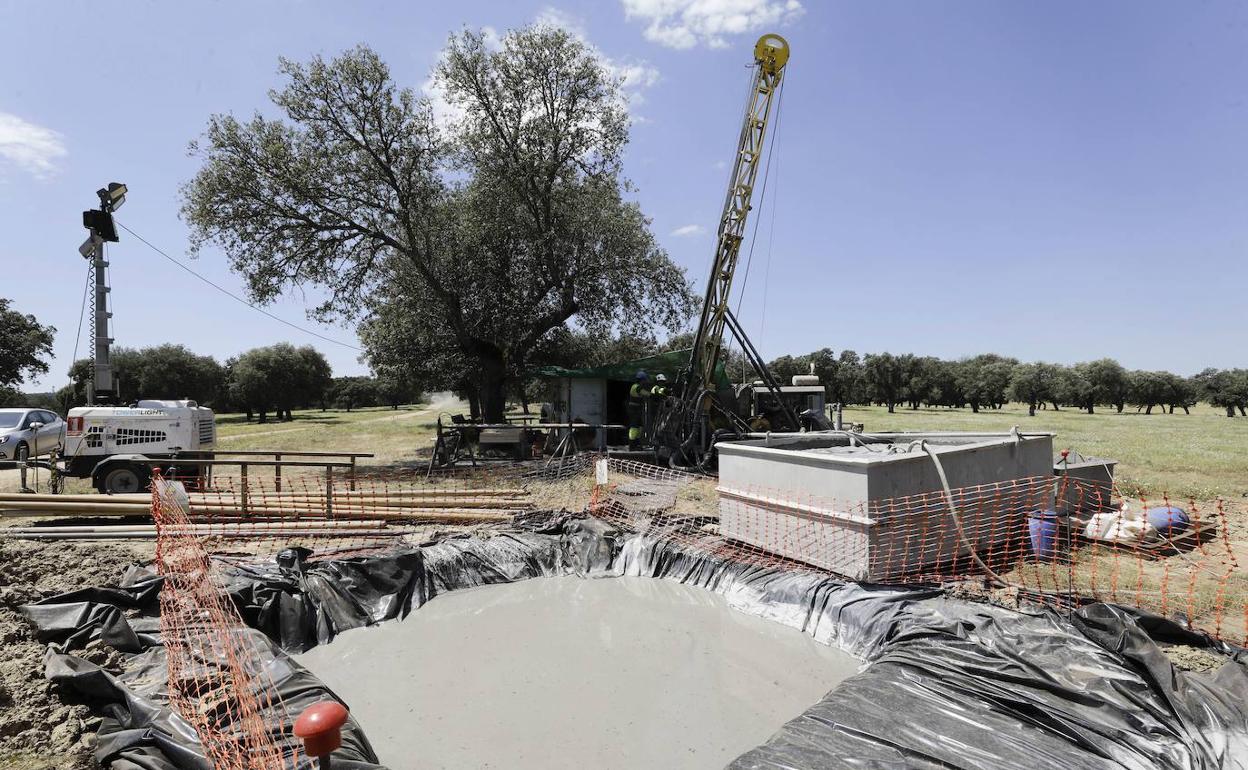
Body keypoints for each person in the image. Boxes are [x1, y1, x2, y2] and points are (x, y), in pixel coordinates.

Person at [627, 370, 649, 448]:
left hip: (637, 410)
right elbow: (645, 393)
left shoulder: (637, 386)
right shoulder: (636, 387)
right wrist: (652, 395)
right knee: (634, 426)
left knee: (640, 426)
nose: (645, 382)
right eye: (644, 380)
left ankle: (636, 442)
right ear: (641, 380)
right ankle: (632, 444)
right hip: (634, 410)